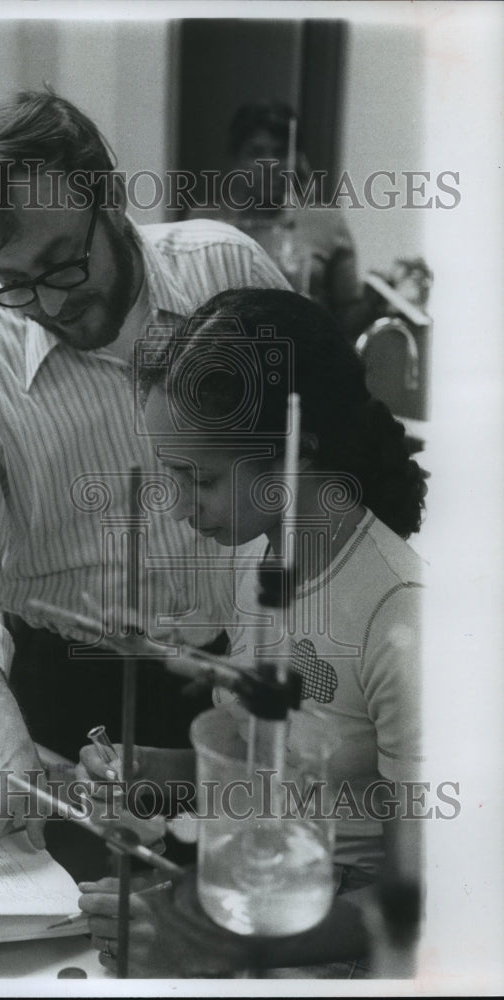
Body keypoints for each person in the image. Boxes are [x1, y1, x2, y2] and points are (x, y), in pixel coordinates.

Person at [0, 90, 289, 869]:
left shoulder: (227, 268)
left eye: (62, 263)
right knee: (79, 932)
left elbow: (318, 445)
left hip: (247, 672)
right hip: (70, 704)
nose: (48, 303)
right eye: (10, 279)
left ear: (107, 196)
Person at [78, 287, 427, 977]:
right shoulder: (256, 559)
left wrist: (218, 942)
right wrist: (152, 771)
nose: (177, 507)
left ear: (296, 448)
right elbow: (263, 762)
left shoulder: (400, 613)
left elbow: (423, 896)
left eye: (198, 479)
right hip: (251, 904)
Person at [188, 101, 373, 341]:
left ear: (297, 159)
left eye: (281, 152)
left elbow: (349, 321)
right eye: (256, 153)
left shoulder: (326, 223)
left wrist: (377, 299)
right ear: (236, 160)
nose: (270, 165)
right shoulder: (204, 222)